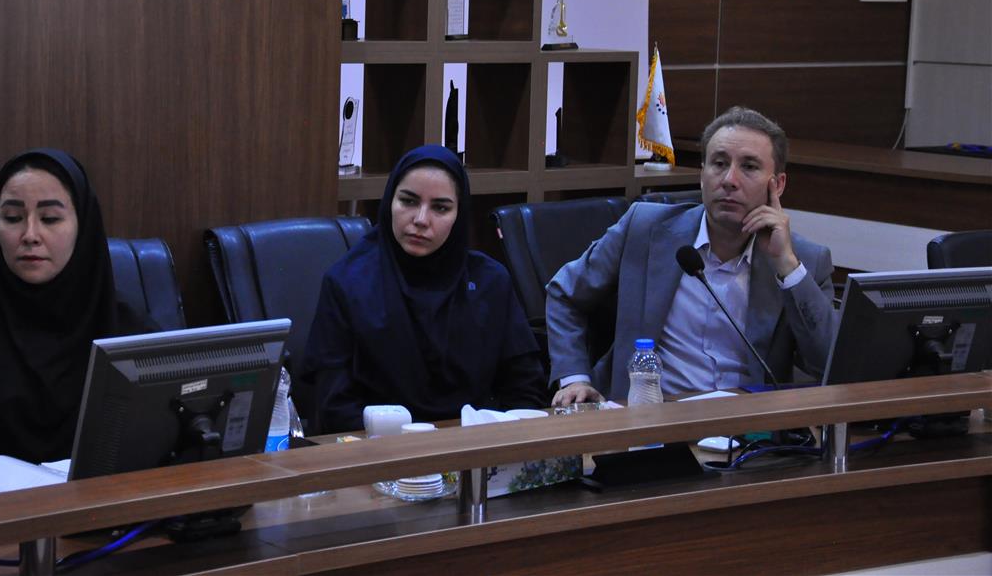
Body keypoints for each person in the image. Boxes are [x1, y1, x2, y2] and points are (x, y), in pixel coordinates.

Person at [547, 107, 837, 405]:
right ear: (702, 175)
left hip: (747, 423)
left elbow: (829, 364)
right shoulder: (644, 229)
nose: (729, 179)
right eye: (719, 164)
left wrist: (786, 266)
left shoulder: (803, 261)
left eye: (749, 167)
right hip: (648, 417)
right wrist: (575, 379)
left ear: (778, 184)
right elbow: (564, 294)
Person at [0, 148, 154, 476]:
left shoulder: (125, 326)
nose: (30, 235)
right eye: (12, 218)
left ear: (83, 226)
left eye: (50, 219)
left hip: (106, 502)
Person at [303, 145, 547, 434]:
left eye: (440, 207)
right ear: (389, 201)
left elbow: (524, 388)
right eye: (408, 201)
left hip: (476, 445)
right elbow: (334, 407)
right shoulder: (347, 283)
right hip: (379, 448)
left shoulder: (489, 281)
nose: (420, 219)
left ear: (459, 214)